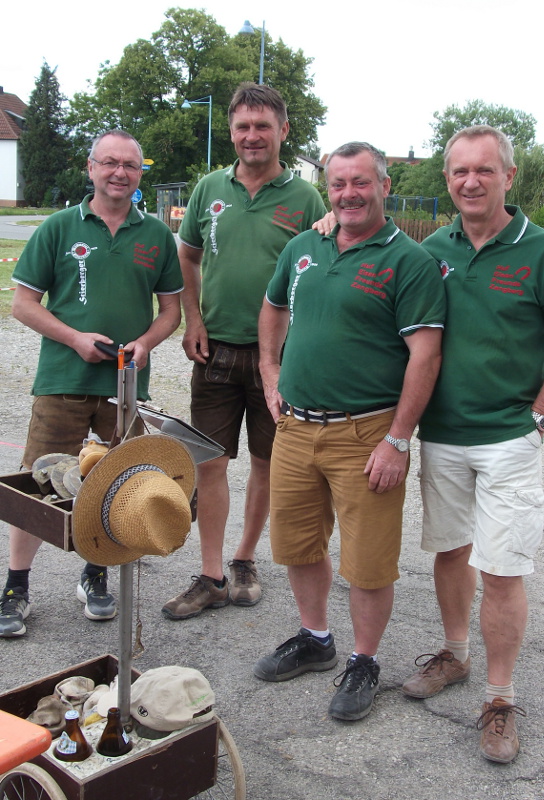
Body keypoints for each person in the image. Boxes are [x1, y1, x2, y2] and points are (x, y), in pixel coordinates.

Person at [401, 125, 544, 762]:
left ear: (509, 176)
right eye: (459, 172)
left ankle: (500, 698)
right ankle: (454, 654)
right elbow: (366, 243)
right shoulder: (432, 251)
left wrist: (537, 421)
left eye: (484, 171)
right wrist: (323, 225)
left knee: (503, 569)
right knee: (450, 551)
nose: (470, 182)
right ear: (447, 179)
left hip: (510, 438)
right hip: (444, 437)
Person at [253, 141, 446, 721]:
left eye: (361, 182)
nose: (349, 194)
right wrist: (269, 371)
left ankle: (364, 661)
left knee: (368, 560)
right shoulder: (303, 246)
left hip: (367, 435)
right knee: (298, 544)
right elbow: (272, 308)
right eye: (338, 184)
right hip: (295, 428)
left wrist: (398, 438)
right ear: (327, 188)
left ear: (384, 187)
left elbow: (426, 356)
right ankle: (315, 638)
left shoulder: (407, 261)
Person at [0, 130, 183, 638]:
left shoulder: (157, 237)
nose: (119, 172)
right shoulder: (59, 228)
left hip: (124, 388)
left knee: (112, 484)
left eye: (130, 165)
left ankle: (95, 573)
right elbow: (23, 305)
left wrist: (146, 344)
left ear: (140, 173)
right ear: (91, 168)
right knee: (37, 485)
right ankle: (16, 586)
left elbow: (171, 312)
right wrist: (76, 339)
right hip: (63, 379)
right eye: (109, 163)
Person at [161, 83, 327, 620]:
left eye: (262, 126)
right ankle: (210, 575)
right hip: (215, 350)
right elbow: (186, 257)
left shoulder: (306, 199)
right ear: (231, 132)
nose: (252, 136)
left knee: (266, 463)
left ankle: (244, 559)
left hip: (277, 359)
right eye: (242, 127)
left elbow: (326, 268)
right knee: (209, 462)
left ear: (282, 131)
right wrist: (193, 317)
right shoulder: (210, 187)